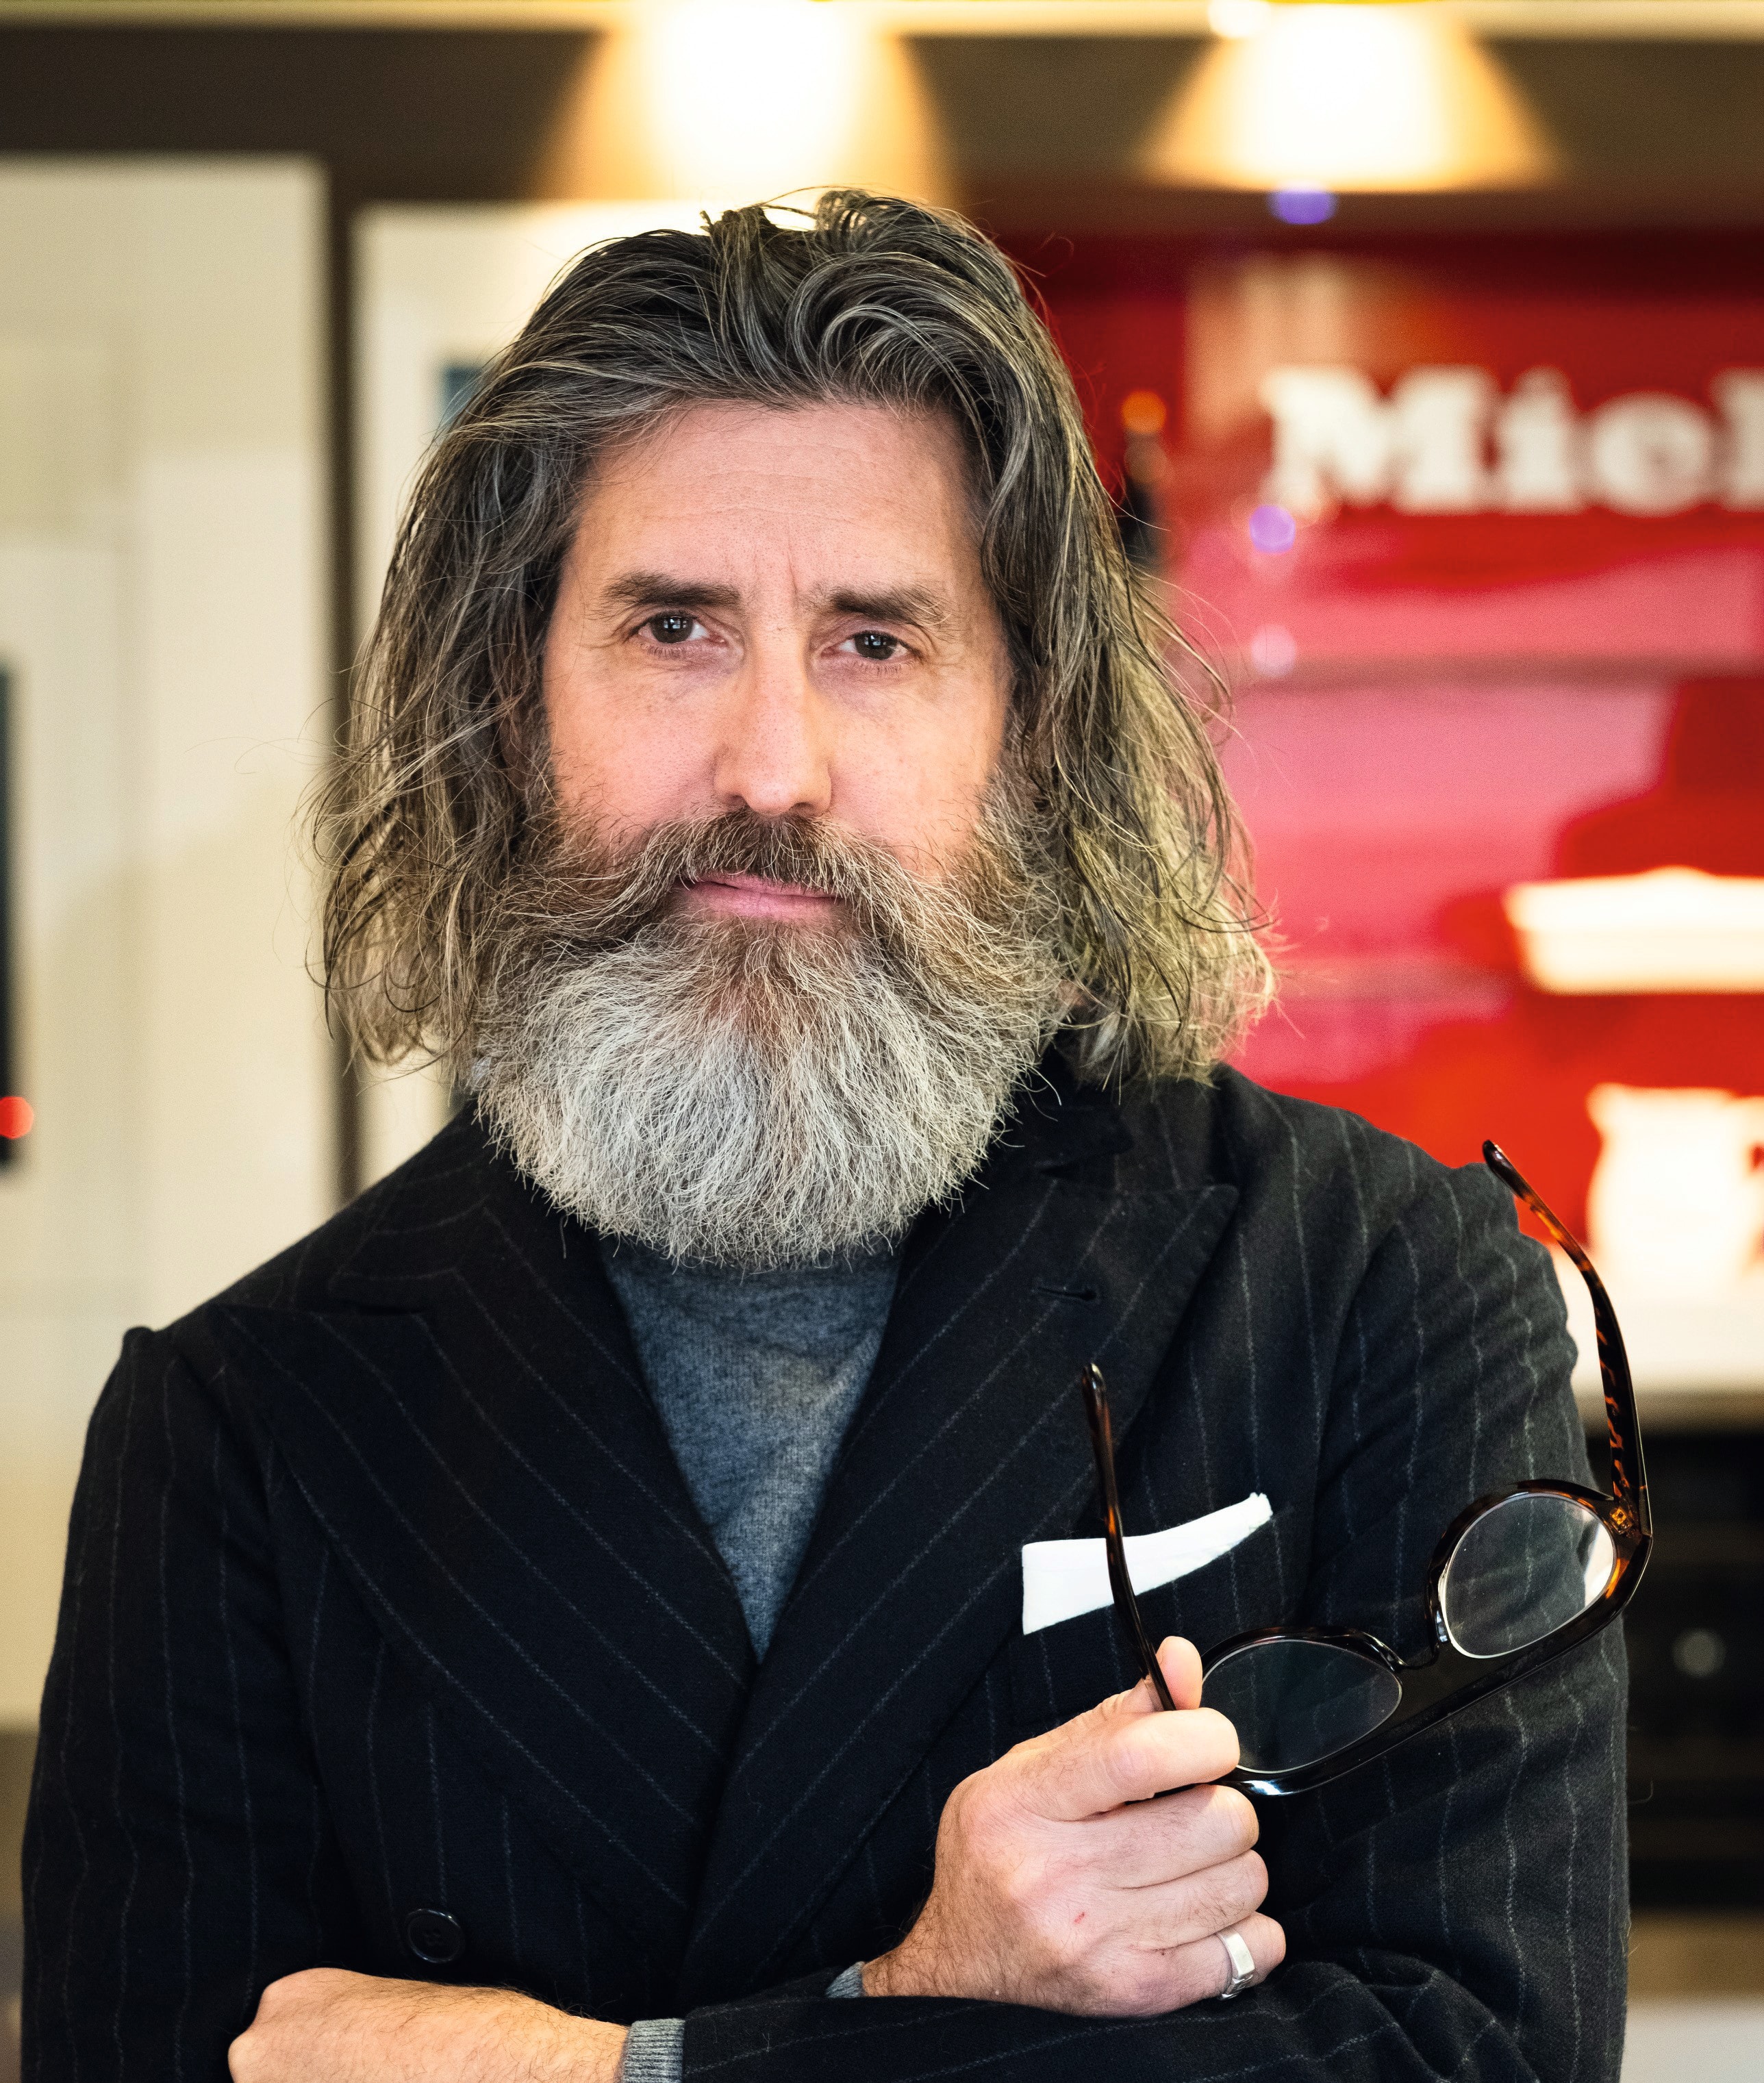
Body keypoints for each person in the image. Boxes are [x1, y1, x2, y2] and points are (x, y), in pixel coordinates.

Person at [23, 192, 1627, 2083]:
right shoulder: (236, 1437)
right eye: (673, 627)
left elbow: (1477, 2057)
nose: (772, 765)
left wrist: (617, 2068)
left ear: (1025, 736)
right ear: (513, 704)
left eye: (874, 640)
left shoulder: (1391, 1287)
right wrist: (929, 2001)